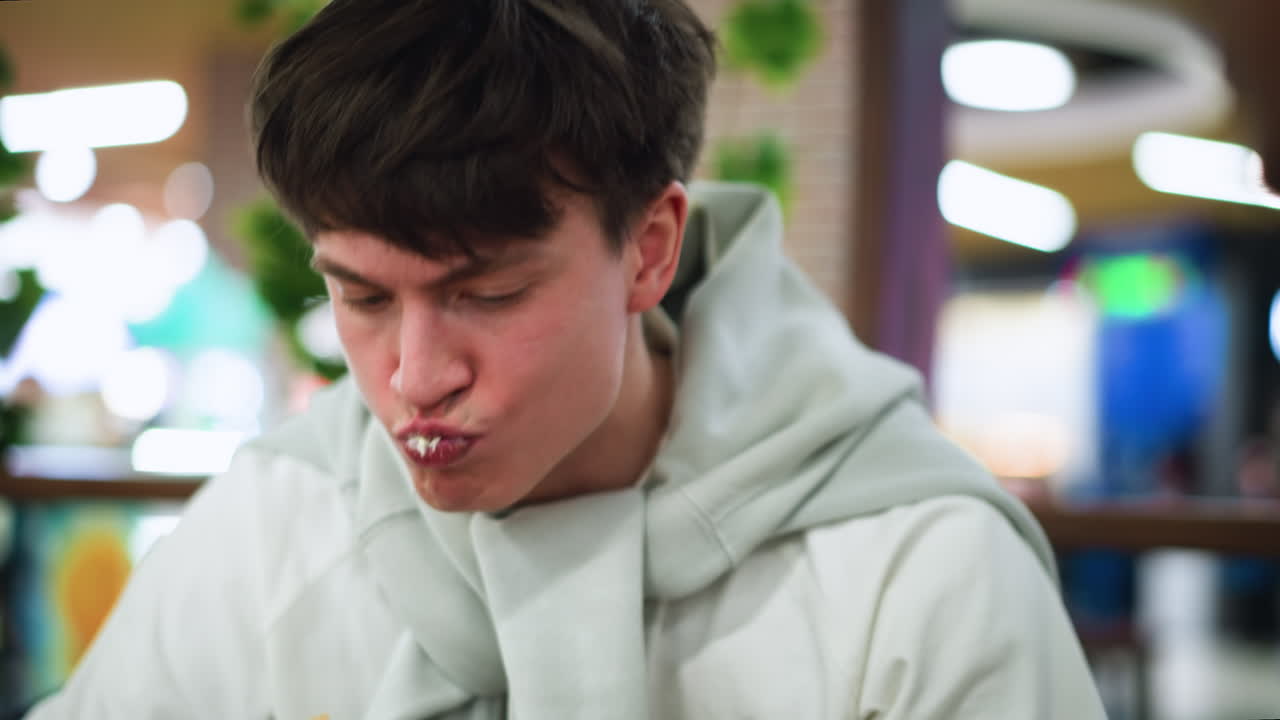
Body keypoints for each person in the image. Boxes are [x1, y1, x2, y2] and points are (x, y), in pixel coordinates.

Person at [26, 0, 1106, 717]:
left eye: (485, 293)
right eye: (359, 295)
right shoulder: (273, 524)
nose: (413, 376)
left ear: (647, 250)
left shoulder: (917, 572)